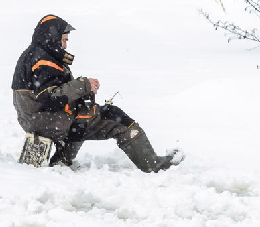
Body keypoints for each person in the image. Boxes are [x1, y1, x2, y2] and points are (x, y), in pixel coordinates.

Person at [11, 14, 183, 171]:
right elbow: (49, 98)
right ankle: (152, 164)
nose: (65, 44)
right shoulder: (43, 61)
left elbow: (47, 94)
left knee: (83, 111)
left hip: (34, 120)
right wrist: (83, 85)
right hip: (49, 121)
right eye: (63, 40)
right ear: (52, 38)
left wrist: (81, 91)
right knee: (113, 117)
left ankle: (62, 160)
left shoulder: (32, 55)